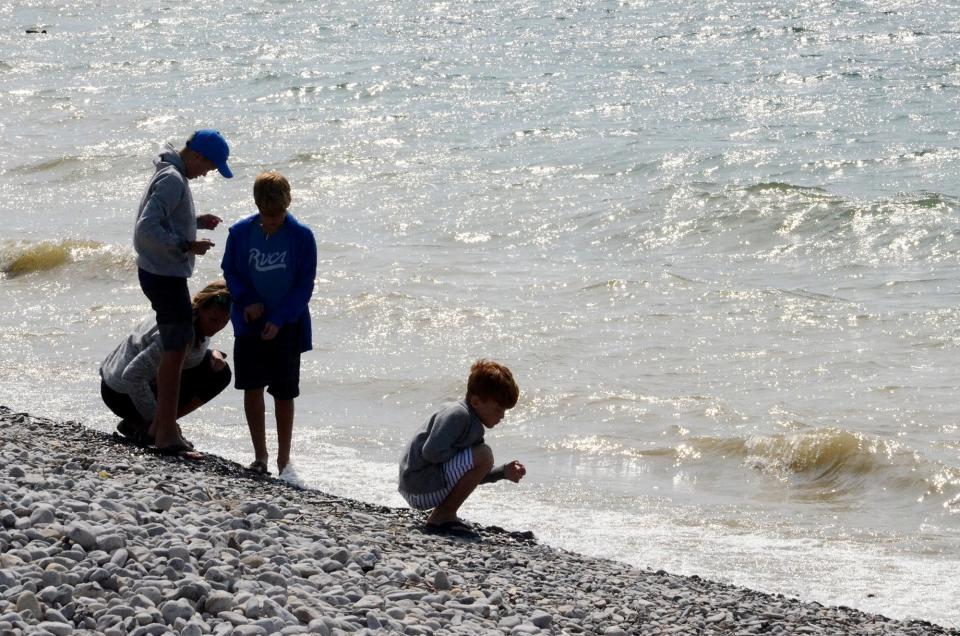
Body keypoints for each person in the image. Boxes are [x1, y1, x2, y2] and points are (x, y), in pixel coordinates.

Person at [133, 129, 233, 453]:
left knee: (177, 349)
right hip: (164, 274)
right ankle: (165, 434)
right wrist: (186, 244)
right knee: (175, 353)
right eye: (209, 167)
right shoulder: (174, 179)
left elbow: (166, 219)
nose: (207, 174)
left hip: (161, 272)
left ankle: (164, 429)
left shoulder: (172, 174)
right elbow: (146, 229)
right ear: (198, 155)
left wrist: (194, 221)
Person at [221, 171, 317, 477]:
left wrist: (279, 318)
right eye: (266, 215)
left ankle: (283, 460)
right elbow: (231, 272)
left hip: (288, 322)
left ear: (289, 203)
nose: (272, 221)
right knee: (252, 386)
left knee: (284, 392)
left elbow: (304, 285)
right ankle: (260, 456)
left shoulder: (301, 236)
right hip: (249, 322)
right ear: (257, 206)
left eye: (277, 215)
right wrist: (247, 300)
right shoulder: (240, 233)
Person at [99, 280, 233, 456]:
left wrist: (214, 353)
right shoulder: (179, 331)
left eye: (225, 321)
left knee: (220, 371)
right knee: (215, 375)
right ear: (199, 308)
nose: (217, 327)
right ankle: (156, 425)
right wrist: (160, 421)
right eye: (213, 319)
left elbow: (192, 353)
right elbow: (132, 376)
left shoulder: (190, 317)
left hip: (130, 383)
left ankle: (140, 424)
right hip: (119, 393)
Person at [398, 359, 527, 537]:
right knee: (484, 454)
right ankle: (442, 516)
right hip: (419, 486)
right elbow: (430, 452)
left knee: (483, 456)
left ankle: (443, 514)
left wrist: (503, 472)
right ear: (475, 402)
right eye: (498, 409)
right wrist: (461, 453)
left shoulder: (472, 423)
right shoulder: (458, 415)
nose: (502, 416)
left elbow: (469, 474)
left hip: (421, 485)